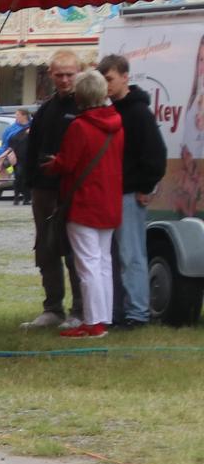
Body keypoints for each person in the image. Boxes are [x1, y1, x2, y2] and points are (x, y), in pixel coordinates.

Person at [46, 70, 125, 339]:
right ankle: (104, 318)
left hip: (84, 202)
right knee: (103, 262)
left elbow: (68, 163)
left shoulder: (80, 126)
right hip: (110, 201)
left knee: (87, 265)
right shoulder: (117, 123)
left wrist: (52, 164)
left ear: (80, 95)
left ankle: (92, 322)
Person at [18, 52, 87, 329]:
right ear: (50, 74)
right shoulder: (46, 109)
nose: (65, 79)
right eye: (60, 74)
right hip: (43, 190)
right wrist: (29, 181)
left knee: (74, 251)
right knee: (46, 249)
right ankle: (52, 308)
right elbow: (32, 147)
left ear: (79, 72)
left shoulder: (85, 107)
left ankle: (80, 310)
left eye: (70, 74)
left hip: (72, 191)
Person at [99, 54, 166, 329]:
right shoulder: (113, 110)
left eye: (110, 79)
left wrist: (145, 185)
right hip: (114, 191)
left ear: (125, 76)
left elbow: (155, 154)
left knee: (131, 253)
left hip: (129, 192)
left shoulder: (137, 113)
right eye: (103, 80)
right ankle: (119, 309)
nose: (106, 85)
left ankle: (138, 311)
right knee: (113, 255)